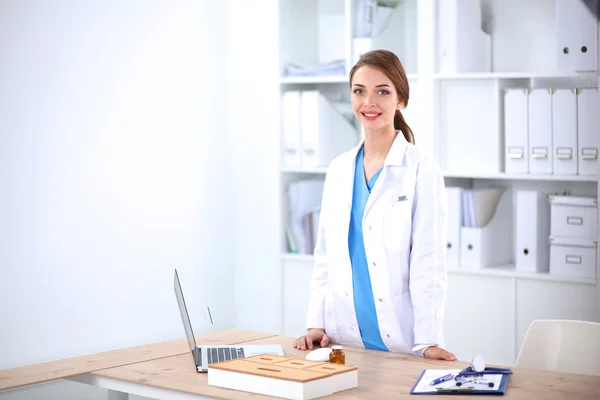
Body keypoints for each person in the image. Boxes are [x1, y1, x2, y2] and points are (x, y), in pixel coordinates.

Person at [293, 50, 456, 361]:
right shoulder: (339, 169)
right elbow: (326, 256)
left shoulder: (421, 169)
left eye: (382, 91)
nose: (369, 102)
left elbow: (428, 262)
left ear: (400, 99)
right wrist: (316, 323)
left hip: (400, 341)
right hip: (343, 341)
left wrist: (428, 339)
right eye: (359, 91)